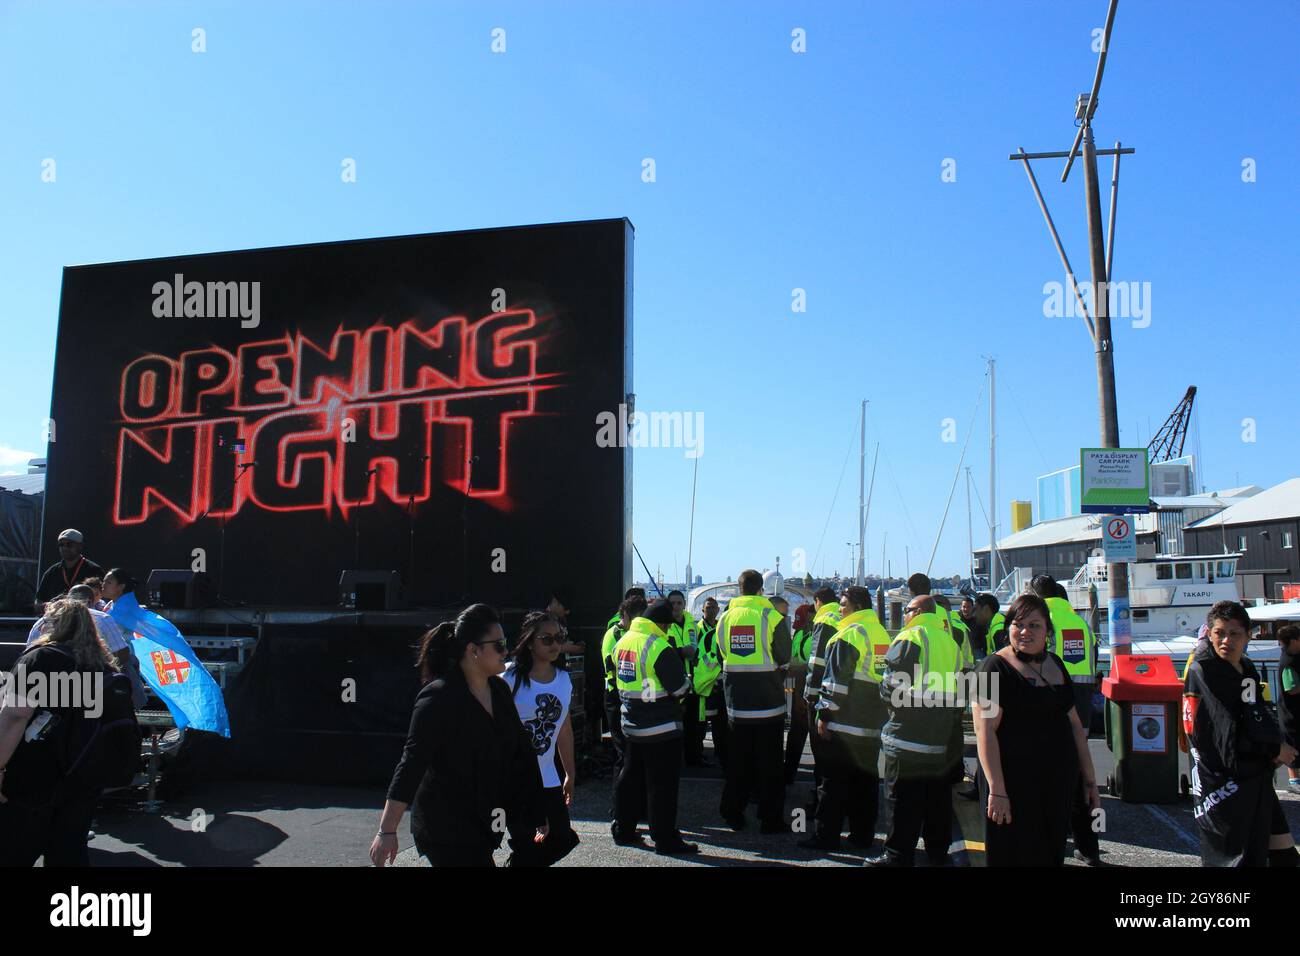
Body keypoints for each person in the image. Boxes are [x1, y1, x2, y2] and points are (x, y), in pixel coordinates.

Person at [371, 604, 545, 867]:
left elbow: (522, 750)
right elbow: (412, 763)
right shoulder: (437, 698)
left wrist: (536, 809)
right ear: (473, 650)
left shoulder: (499, 691)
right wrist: (387, 831)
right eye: (498, 645)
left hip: (482, 821)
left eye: (505, 642)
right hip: (446, 827)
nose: (506, 651)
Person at [974, 593, 1101, 866]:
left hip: (1056, 785)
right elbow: (985, 732)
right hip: (1012, 787)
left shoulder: (1055, 665)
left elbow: (1075, 726)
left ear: (1047, 631)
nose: (1024, 632)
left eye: (1034, 625)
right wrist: (997, 790)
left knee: (1049, 854)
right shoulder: (992, 669)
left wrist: (1089, 781)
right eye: (1018, 624)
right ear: (1008, 628)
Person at [0, 598, 123, 866]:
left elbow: (14, 717)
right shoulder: (101, 666)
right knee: (69, 853)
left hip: (33, 774)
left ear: (53, 625)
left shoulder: (40, 658)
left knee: (14, 849)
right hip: (82, 772)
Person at [1183, 601, 1297, 867]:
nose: (1226, 641)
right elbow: (1224, 732)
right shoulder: (1204, 671)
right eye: (1219, 633)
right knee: (1239, 860)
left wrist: (1276, 745)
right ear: (1209, 634)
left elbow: (1255, 712)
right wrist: (1272, 749)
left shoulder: (1246, 668)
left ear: (1248, 636)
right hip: (1226, 784)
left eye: (1234, 634)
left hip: (1256, 775)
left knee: (1285, 856)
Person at [866, 596, 961, 867]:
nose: (904, 615)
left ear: (916, 612)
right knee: (936, 803)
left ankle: (896, 856)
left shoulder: (911, 637)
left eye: (907, 610)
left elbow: (891, 686)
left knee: (901, 801)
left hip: (906, 735)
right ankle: (938, 854)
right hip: (938, 738)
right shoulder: (949, 643)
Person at [803, 586, 890, 853]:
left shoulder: (850, 634)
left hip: (845, 722)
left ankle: (825, 836)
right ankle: (863, 835)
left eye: (842, 604)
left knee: (833, 783)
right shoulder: (881, 634)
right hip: (872, 722)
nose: (839, 609)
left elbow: (835, 681)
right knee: (866, 782)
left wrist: (824, 713)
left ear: (854, 606)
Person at [611, 598, 697, 854]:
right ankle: (665, 839)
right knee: (662, 786)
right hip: (661, 727)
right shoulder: (658, 646)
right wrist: (688, 682)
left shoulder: (623, 641)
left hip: (632, 725)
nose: (669, 630)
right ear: (659, 623)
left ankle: (623, 829)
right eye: (667, 626)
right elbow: (679, 688)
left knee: (630, 778)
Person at [1029, 573, 1101, 864]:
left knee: (1047, 777)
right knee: (1081, 774)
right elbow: (1093, 661)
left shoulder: (1046, 623)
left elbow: (1038, 663)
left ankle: (1049, 841)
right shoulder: (1080, 622)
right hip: (1080, 705)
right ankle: (1088, 846)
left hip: (1053, 703)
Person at [716, 569, 792, 834]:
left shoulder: (725, 618)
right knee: (770, 765)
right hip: (768, 703)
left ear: (739, 589)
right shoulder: (772, 617)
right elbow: (784, 656)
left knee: (738, 762)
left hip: (736, 703)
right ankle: (770, 819)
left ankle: (732, 812)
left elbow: (722, 653)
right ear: (762, 589)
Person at [502, 611, 580, 866]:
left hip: (548, 778)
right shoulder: (508, 678)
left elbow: (564, 730)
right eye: (546, 639)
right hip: (516, 778)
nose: (555, 644)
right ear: (530, 641)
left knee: (562, 837)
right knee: (527, 844)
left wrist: (569, 772)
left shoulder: (564, 680)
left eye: (560, 637)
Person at [28, 584, 147, 710]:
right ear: (91, 601)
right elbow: (122, 655)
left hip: (48, 685)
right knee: (130, 661)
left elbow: (29, 652)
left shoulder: (41, 622)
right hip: (90, 687)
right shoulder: (102, 618)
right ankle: (132, 707)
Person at [601, 594, 647, 781]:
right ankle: (619, 803)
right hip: (616, 696)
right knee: (623, 754)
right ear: (626, 616)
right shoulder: (614, 634)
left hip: (634, 699)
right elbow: (613, 669)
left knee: (635, 754)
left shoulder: (637, 635)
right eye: (636, 618)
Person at [667, 590, 705, 766]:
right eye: (672, 603)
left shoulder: (692, 624)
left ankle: (694, 759)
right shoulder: (664, 625)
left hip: (693, 680)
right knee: (674, 724)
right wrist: (681, 652)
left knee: (693, 724)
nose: (676, 607)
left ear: (684, 604)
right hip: (673, 681)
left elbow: (700, 648)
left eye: (679, 603)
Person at [693, 596, 729, 770]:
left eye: (714, 607)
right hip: (703, 683)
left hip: (719, 684)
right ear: (702, 610)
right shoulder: (697, 629)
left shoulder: (720, 628)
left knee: (719, 723)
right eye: (708, 607)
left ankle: (720, 754)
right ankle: (698, 755)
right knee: (701, 722)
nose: (711, 610)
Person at [35, 529, 105, 613]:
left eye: (69, 544)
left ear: (80, 546)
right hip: (57, 620)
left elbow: (104, 600)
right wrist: (49, 605)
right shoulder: (51, 572)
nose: (64, 547)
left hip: (85, 620)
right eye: (61, 544)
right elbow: (38, 602)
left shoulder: (94, 570)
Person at [784, 603, 815, 784]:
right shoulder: (799, 633)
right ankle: (788, 775)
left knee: (808, 736)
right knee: (796, 735)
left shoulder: (817, 635)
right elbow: (793, 664)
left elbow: (803, 666)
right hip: (796, 688)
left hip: (807, 688)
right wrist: (790, 693)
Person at [1277, 625, 1300, 793]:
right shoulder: (1287, 661)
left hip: (1296, 711)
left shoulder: (1295, 656)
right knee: (1293, 745)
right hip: (1291, 713)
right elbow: (1291, 688)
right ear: (1293, 641)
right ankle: (1294, 782)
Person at [973, 593, 1007, 658]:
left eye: (976, 610)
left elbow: (1005, 661)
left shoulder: (999, 630)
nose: (973, 615)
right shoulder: (995, 625)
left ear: (986, 609)